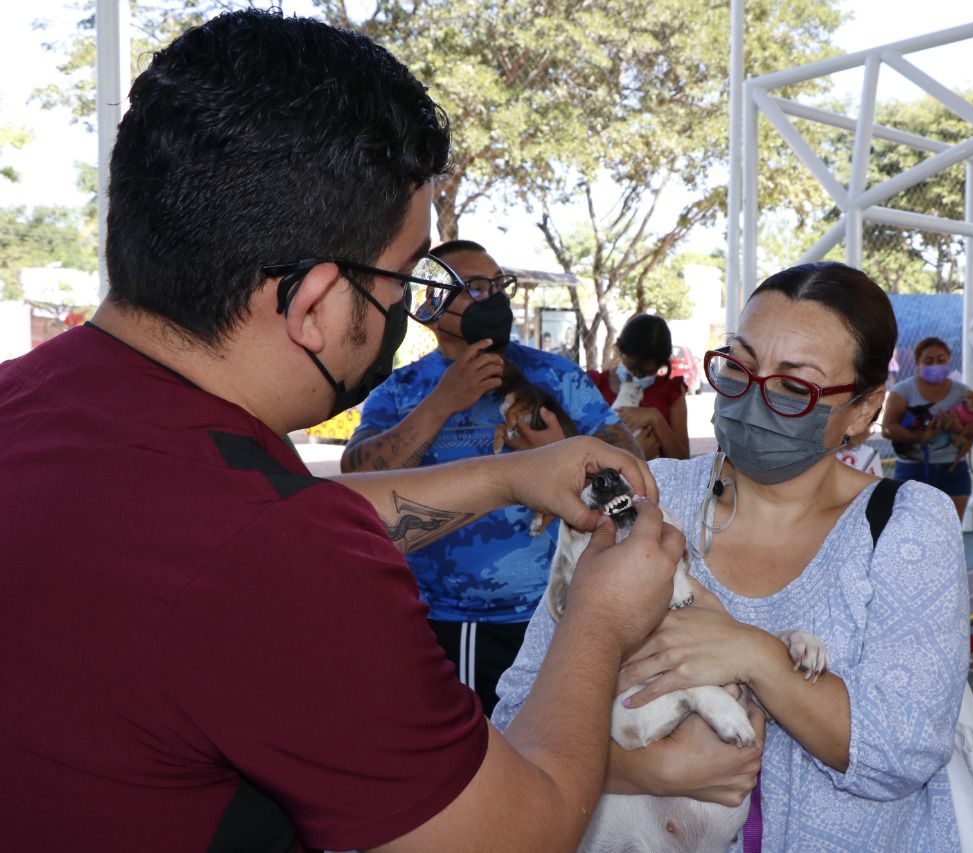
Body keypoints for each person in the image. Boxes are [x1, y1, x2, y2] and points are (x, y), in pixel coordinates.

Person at [0, 11, 685, 851]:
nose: (407, 303)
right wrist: (600, 620)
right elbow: (518, 830)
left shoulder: (36, 404)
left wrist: (510, 476)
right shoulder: (272, 557)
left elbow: (271, 521)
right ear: (316, 304)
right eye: (403, 275)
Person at [495, 262, 971, 849]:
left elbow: (906, 749)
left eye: (795, 387)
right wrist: (647, 769)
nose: (753, 397)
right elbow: (519, 715)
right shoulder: (645, 497)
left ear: (863, 409)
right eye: (739, 367)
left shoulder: (905, 525)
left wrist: (754, 655)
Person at [341, 239, 641, 715]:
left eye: (500, 286)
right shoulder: (401, 390)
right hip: (441, 621)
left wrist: (559, 450)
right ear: (434, 304)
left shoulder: (555, 375)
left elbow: (632, 463)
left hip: (551, 612)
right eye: (477, 288)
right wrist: (442, 404)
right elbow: (355, 480)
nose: (495, 299)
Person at [882, 337, 973, 518]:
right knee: (910, 526)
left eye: (941, 360)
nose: (935, 365)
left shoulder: (962, 392)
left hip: (953, 470)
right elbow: (887, 429)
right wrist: (919, 437)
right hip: (913, 468)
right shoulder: (902, 391)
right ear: (918, 363)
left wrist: (958, 428)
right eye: (928, 361)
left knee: (952, 528)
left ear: (949, 360)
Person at [588, 313, 691, 460]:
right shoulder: (595, 386)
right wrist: (635, 455)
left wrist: (654, 417)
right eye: (632, 367)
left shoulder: (672, 392)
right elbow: (581, 451)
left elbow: (683, 460)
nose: (637, 376)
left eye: (648, 372)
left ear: (662, 364)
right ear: (619, 350)